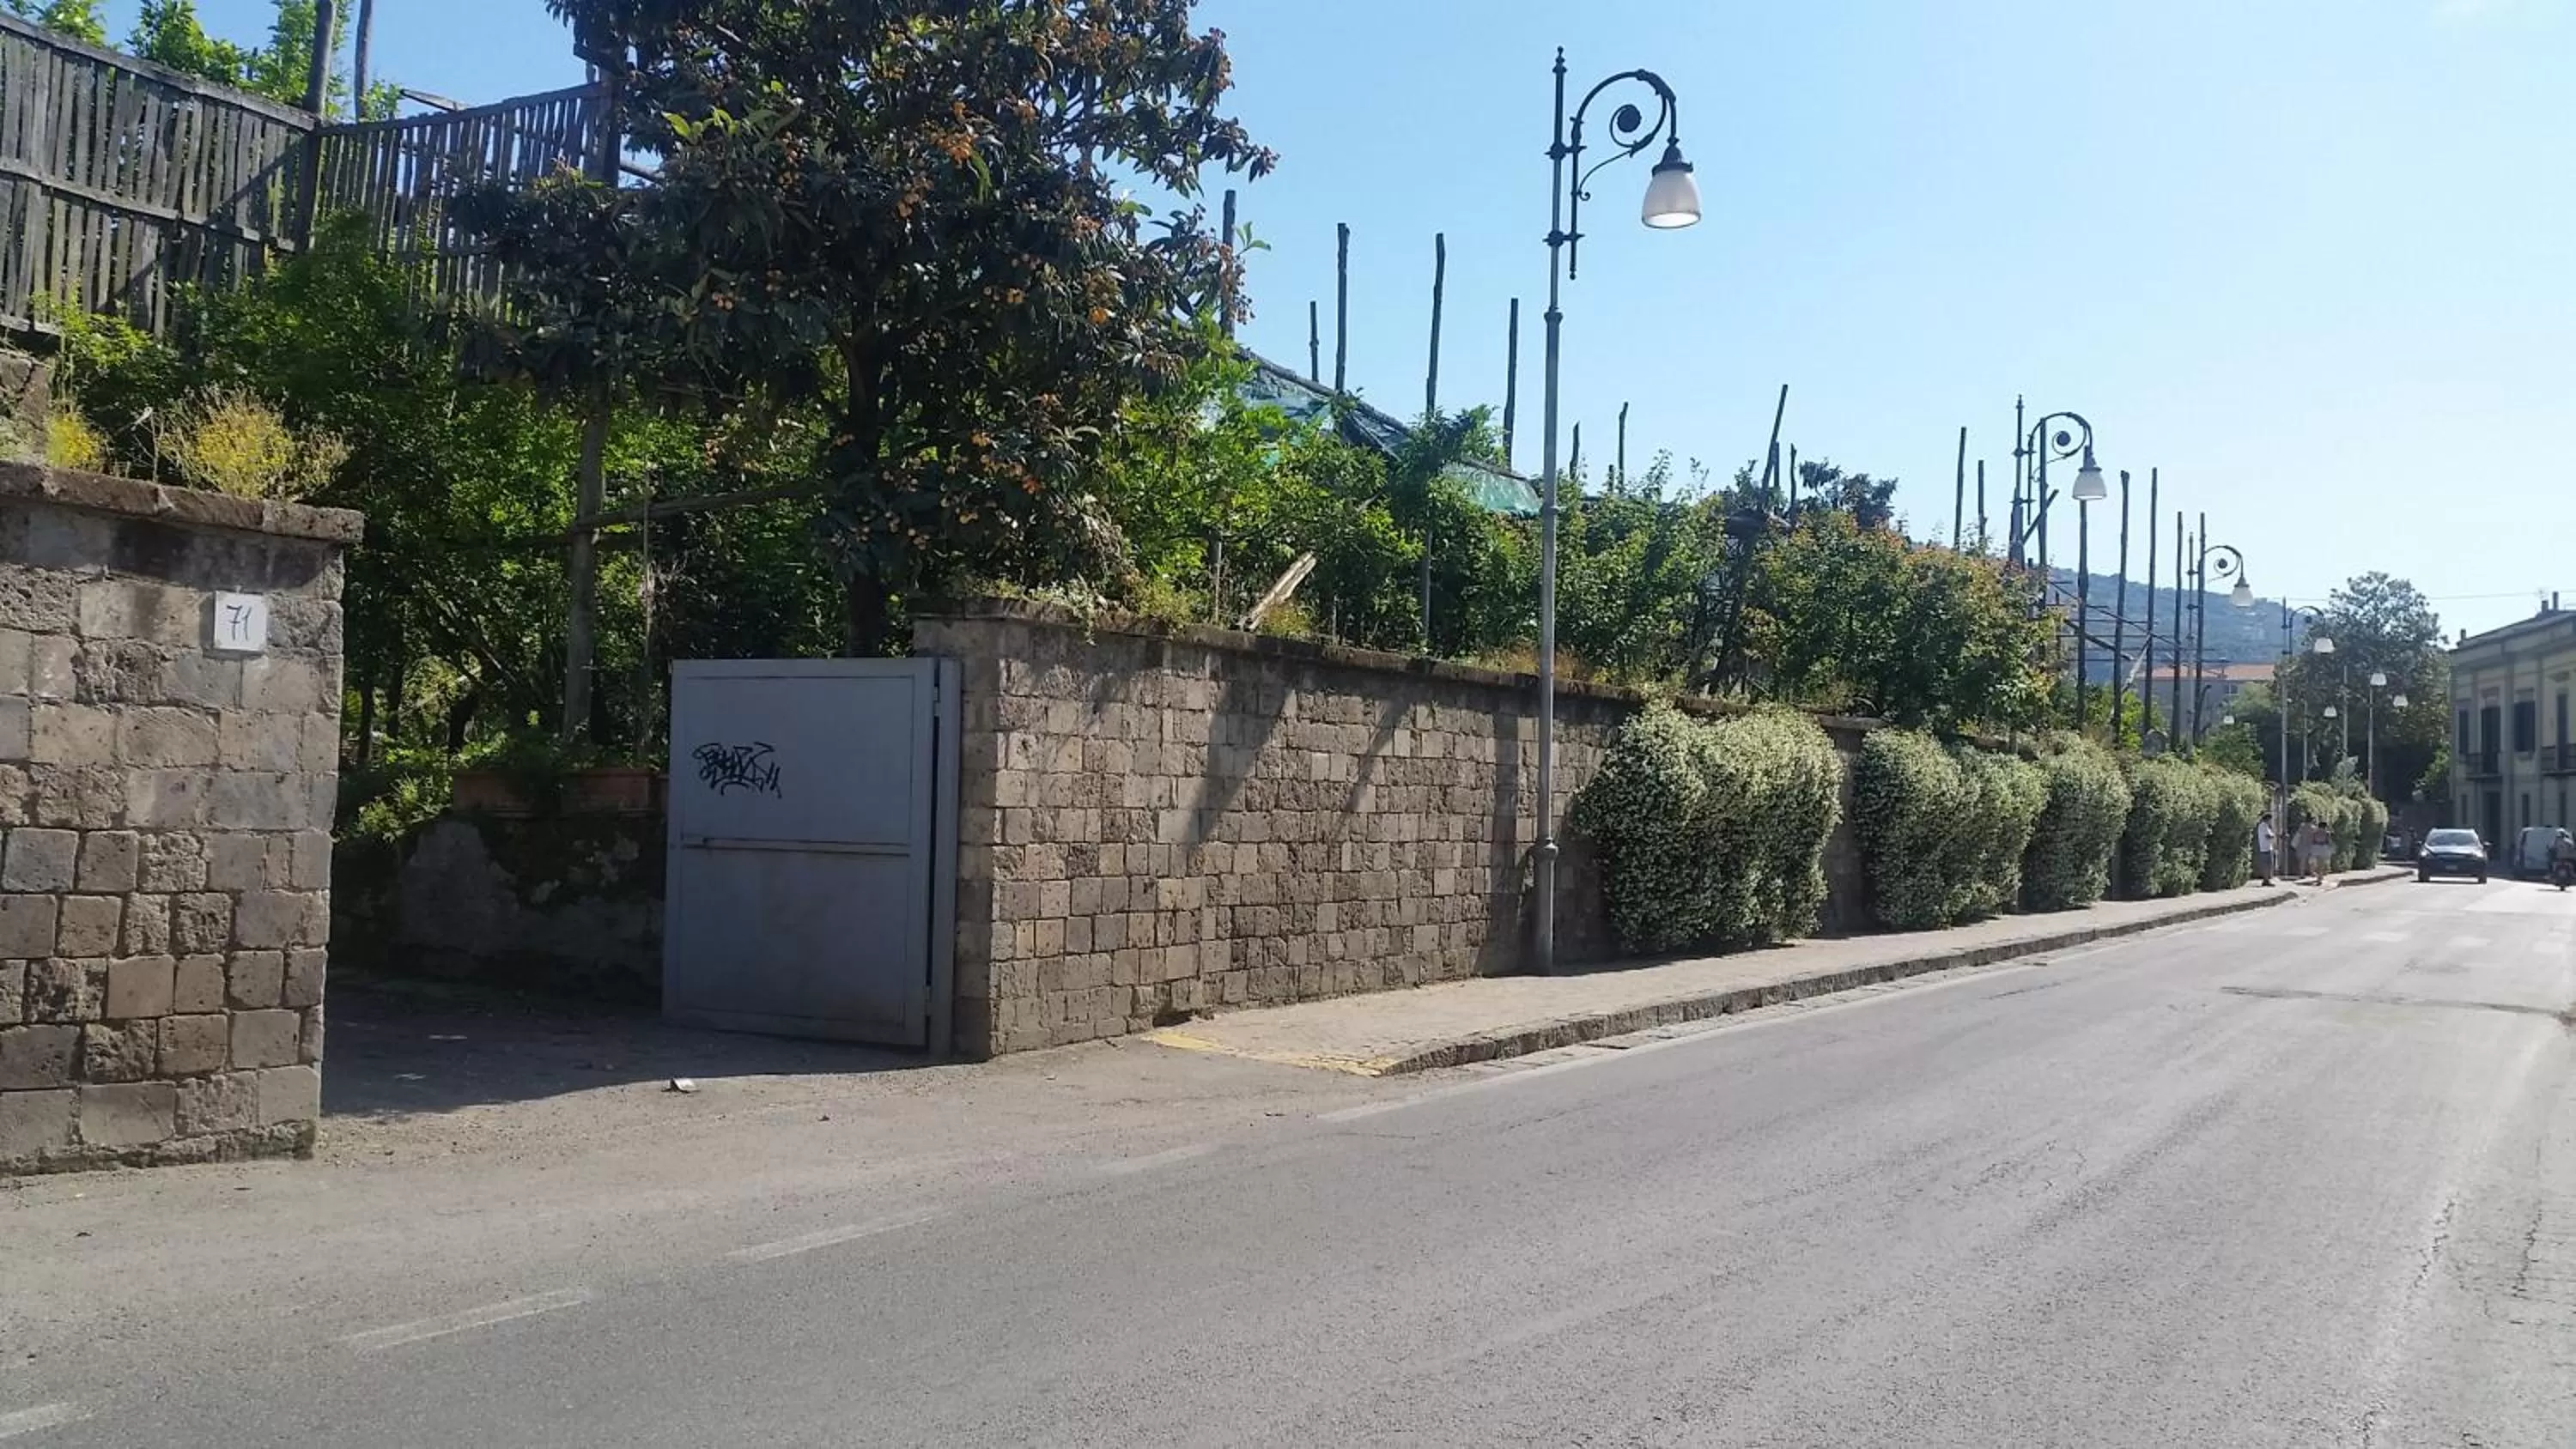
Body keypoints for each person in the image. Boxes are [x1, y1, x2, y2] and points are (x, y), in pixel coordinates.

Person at [2304, 819, 2335, 883]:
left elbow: (2311, 840)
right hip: (2323, 848)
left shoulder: (2315, 833)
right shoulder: (2327, 833)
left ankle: (2316, 873)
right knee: (2321, 864)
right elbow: (2329, 841)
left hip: (2315, 847)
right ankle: (2320, 877)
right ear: (2325, 827)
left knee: (2315, 862)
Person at [2255, 812, 2277, 886]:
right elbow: (2268, 836)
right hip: (2265, 848)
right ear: (2268, 819)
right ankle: (2266, 880)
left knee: (2269, 864)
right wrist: (2273, 836)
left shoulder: (2266, 826)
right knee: (2266, 865)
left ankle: (2267, 879)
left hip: (2268, 847)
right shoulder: (2263, 826)